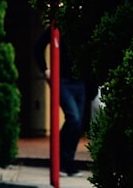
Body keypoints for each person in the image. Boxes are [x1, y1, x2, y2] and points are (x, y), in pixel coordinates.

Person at [33, 25, 90, 177]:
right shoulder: (58, 25)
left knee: (78, 124)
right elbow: (38, 46)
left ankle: (67, 163)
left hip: (81, 82)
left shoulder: (86, 27)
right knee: (73, 118)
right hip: (63, 80)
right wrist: (45, 70)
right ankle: (59, 158)